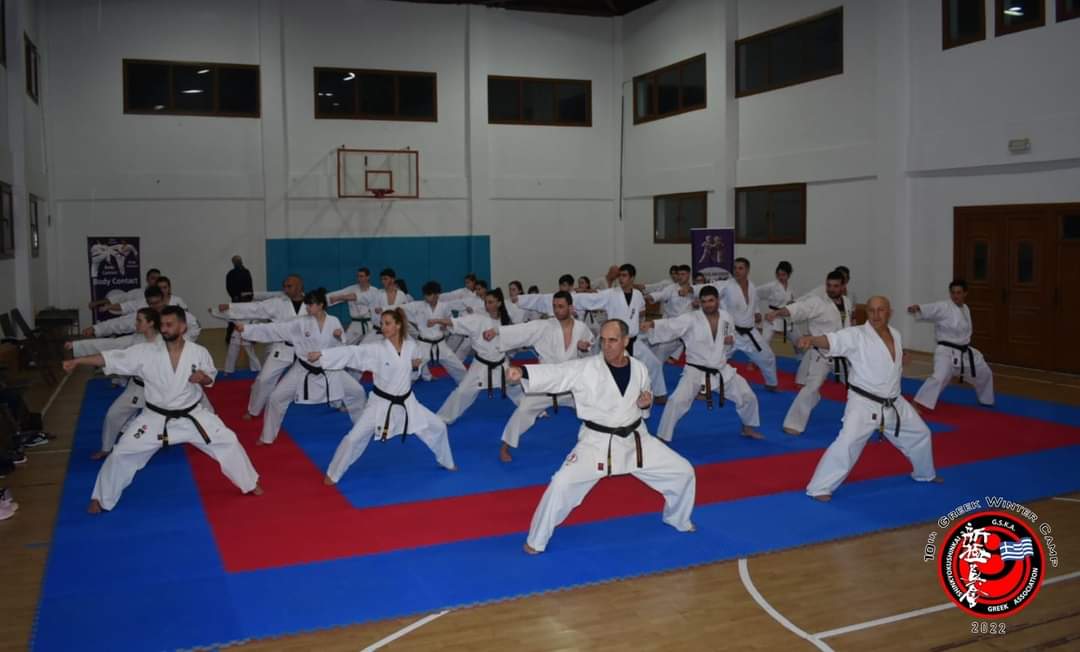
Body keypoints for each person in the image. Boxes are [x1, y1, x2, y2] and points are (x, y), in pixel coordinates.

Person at [508, 320, 696, 554]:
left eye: (613, 340)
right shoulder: (586, 368)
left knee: (683, 471)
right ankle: (536, 540)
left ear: (626, 341)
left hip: (636, 440)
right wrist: (523, 372)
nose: (606, 346)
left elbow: (643, 404)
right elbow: (558, 373)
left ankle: (677, 518)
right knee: (561, 484)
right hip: (596, 443)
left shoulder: (639, 368)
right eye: (603, 340)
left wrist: (643, 404)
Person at [64, 306, 262, 513]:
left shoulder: (198, 352)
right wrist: (78, 361)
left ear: (183, 327)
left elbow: (210, 377)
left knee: (228, 441)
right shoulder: (146, 352)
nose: (164, 329)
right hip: (154, 418)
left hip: (192, 415)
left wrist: (202, 378)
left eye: (169, 324)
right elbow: (110, 357)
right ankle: (101, 498)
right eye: (162, 325)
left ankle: (249, 483)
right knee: (122, 453)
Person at [798, 296, 940, 501]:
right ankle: (819, 487)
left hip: (894, 401)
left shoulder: (896, 334)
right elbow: (833, 340)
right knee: (847, 444)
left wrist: (902, 357)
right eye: (871, 310)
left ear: (889, 313)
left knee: (921, 433)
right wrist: (812, 339)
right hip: (864, 403)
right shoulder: (857, 335)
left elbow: (889, 360)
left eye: (880, 310)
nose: (875, 315)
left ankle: (924, 474)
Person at [316, 308, 456, 484]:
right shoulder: (377, 349)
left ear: (398, 325)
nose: (383, 327)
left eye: (387, 323)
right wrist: (323, 355)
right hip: (380, 404)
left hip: (407, 403)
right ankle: (333, 473)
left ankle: (446, 461)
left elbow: (415, 369)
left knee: (439, 427)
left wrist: (415, 366)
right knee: (353, 438)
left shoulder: (411, 346)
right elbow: (353, 352)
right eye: (382, 324)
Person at [235, 288, 367, 445]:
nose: (307, 308)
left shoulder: (334, 321)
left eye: (310, 305)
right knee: (276, 397)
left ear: (321, 305)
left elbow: (341, 345)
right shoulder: (301, 322)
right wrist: (248, 329)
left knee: (357, 392)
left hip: (330, 370)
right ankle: (267, 436)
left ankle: (362, 429)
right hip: (303, 369)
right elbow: (276, 329)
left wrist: (339, 336)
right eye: (307, 305)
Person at [524, 264, 668, 401]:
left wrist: (638, 321)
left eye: (624, 275)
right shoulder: (611, 294)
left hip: (632, 340)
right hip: (614, 342)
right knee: (604, 370)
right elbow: (590, 299)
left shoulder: (637, 295)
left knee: (654, 363)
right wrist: (569, 299)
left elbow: (640, 311)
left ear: (632, 278)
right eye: (620, 276)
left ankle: (659, 393)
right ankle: (600, 395)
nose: (621, 279)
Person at [643, 286, 762, 442]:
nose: (707, 305)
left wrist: (730, 339)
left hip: (720, 369)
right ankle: (663, 436)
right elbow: (672, 324)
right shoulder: (691, 318)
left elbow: (729, 333)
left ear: (717, 300)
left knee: (748, 396)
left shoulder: (726, 317)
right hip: (695, 370)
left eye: (711, 300)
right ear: (700, 302)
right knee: (676, 401)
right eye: (704, 301)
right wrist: (653, 324)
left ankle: (748, 427)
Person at [485, 291, 594, 462]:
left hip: (570, 383)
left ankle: (601, 443)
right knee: (523, 411)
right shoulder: (544, 326)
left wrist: (584, 348)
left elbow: (591, 350)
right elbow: (521, 330)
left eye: (561, 306)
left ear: (571, 307)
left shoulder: (582, 328)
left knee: (592, 409)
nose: (556, 310)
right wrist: (496, 331)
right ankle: (505, 446)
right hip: (546, 381)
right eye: (554, 306)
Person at [766, 271, 854, 435]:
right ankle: (793, 423)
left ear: (843, 286)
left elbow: (847, 325)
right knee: (810, 388)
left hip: (843, 354)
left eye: (835, 286)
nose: (831, 289)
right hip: (822, 355)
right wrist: (777, 313)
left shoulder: (847, 302)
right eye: (829, 285)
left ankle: (870, 418)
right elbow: (798, 308)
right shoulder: (817, 303)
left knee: (859, 385)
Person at [67, 307, 162, 459]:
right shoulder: (135, 339)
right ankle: (106, 448)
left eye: (139, 320)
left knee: (166, 423)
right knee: (113, 415)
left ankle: (161, 440)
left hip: (159, 391)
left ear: (150, 323)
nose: (136, 323)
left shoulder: (165, 342)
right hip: (137, 387)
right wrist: (77, 347)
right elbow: (109, 345)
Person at [211, 274, 307, 419]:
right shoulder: (278, 303)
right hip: (283, 347)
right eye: (284, 286)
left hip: (306, 349)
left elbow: (326, 308)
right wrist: (231, 307)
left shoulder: (311, 303)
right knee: (264, 379)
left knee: (327, 373)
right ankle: (253, 410)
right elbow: (256, 308)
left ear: (300, 286)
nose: (285, 289)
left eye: (289, 286)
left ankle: (337, 402)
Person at [686, 258, 778, 390]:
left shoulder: (752, 286)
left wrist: (757, 312)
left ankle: (771, 384)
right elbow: (710, 287)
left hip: (749, 332)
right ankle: (703, 387)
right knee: (714, 359)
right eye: (735, 268)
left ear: (747, 270)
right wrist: (691, 289)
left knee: (767, 357)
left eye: (741, 268)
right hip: (729, 330)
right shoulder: (727, 285)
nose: (737, 271)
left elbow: (753, 302)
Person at [436, 289, 523, 423]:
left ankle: (532, 410)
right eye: (486, 302)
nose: (487, 305)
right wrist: (438, 320)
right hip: (481, 365)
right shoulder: (478, 319)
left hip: (501, 363)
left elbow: (514, 338)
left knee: (515, 388)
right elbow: (457, 322)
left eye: (490, 302)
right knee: (462, 392)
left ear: (499, 303)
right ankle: (443, 418)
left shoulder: (506, 321)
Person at [908, 280, 994, 411]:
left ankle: (986, 400)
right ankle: (917, 403)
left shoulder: (966, 308)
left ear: (965, 293)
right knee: (939, 377)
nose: (955, 296)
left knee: (984, 372)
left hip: (964, 352)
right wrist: (918, 308)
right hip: (946, 352)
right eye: (953, 293)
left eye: (958, 293)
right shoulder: (945, 306)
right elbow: (933, 308)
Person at [401, 281, 468, 383]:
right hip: (424, 344)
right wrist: (383, 309)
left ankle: (465, 382)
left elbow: (449, 321)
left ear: (437, 294)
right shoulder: (417, 306)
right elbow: (399, 308)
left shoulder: (444, 306)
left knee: (456, 365)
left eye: (429, 294)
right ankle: (402, 386)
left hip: (440, 344)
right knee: (413, 368)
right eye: (425, 295)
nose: (426, 297)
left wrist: (444, 327)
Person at [87, 286, 202, 342]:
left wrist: (182, 341)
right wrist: (96, 329)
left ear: (163, 299)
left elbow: (196, 326)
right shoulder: (145, 316)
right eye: (151, 304)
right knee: (119, 345)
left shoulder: (176, 313)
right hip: (150, 348)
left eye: (158, 302)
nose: (155, 306)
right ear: (147, 302)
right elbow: (120, 323)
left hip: (176, 349)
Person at [644, 264, 694, 363]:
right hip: (671, 324)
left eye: (683, 274)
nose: (680, 277)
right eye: (679, 274)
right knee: (658, 347)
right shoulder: (671, 288)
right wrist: (648, 297)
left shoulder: (694, 289)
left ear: (688, 275)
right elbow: (661, 295)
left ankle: (670, 359)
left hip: (686, 326)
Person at [223, 255, 262, 374]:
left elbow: (250, 285)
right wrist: (234, 296)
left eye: (238, 261)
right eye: (235, 261)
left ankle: (256, 368)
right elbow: (229, 286)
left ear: (241, 261)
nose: (237, 262)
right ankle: (229, 368)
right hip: (236, 299)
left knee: (249, 348)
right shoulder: (230, 274)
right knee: (233, 321)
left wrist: (249, 296)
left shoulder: (246, 272)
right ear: (233, 263)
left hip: (246, 299)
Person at [329, 267, 381, 344]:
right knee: (345, 344)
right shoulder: (352, 289)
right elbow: (337, 294)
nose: (359, 279)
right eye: (358, 276)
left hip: (369, 325)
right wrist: (324, 299)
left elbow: (359, 297)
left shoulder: (374, 291)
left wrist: (339, 297)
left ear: (368, 277)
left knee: (368, 346)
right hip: (355, 324)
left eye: (362, 276)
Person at [756, 261, 795, 345]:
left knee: (797, 340)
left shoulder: (790, 288)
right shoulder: (771, 286)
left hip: (786, 318)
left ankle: (800, 353)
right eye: (778, 275)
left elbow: (790, 302)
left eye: (783, 275)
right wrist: (757, 311)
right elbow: (754, 294)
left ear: (789, 275)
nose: (780, 277)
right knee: (764, 343)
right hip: (771, 317)